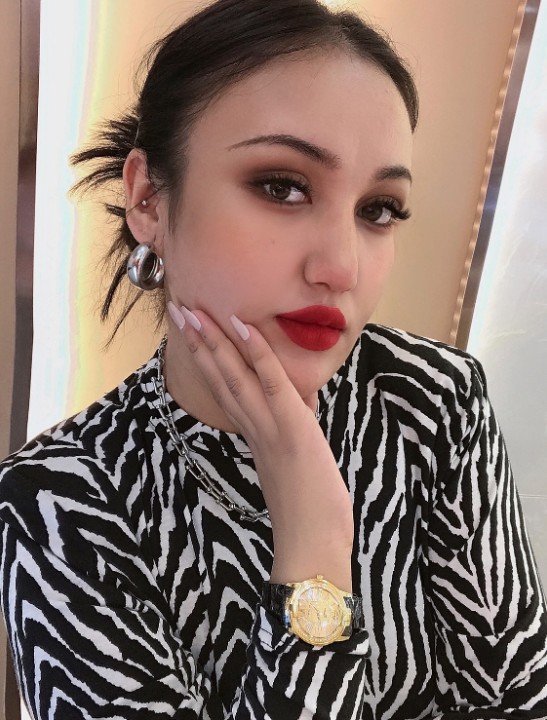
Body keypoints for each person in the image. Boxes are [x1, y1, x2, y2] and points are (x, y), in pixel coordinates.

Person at [1, 0, 546, 718]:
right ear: (149, 200)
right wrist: (314, 545)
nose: (341, 267)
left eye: (378, 209)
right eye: (281, 186)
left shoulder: (432, 400)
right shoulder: (60, 499)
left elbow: (518, 699)